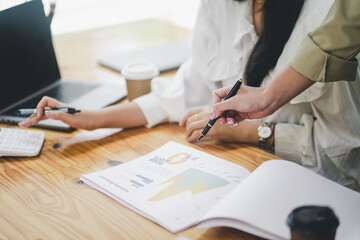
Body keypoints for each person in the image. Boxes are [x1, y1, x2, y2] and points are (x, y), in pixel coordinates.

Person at [21, 0, 360, 192]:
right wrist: (91, 118)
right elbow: (188, 87)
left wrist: (251, 132)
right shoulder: (220, 5)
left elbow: (345, 155)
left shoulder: (331, 18)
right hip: (240, 176)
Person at [211, 0, 360, 124]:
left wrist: (256, 132)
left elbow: (344, 143)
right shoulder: (218, 6)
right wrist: (267, 97)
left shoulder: (323, 12)